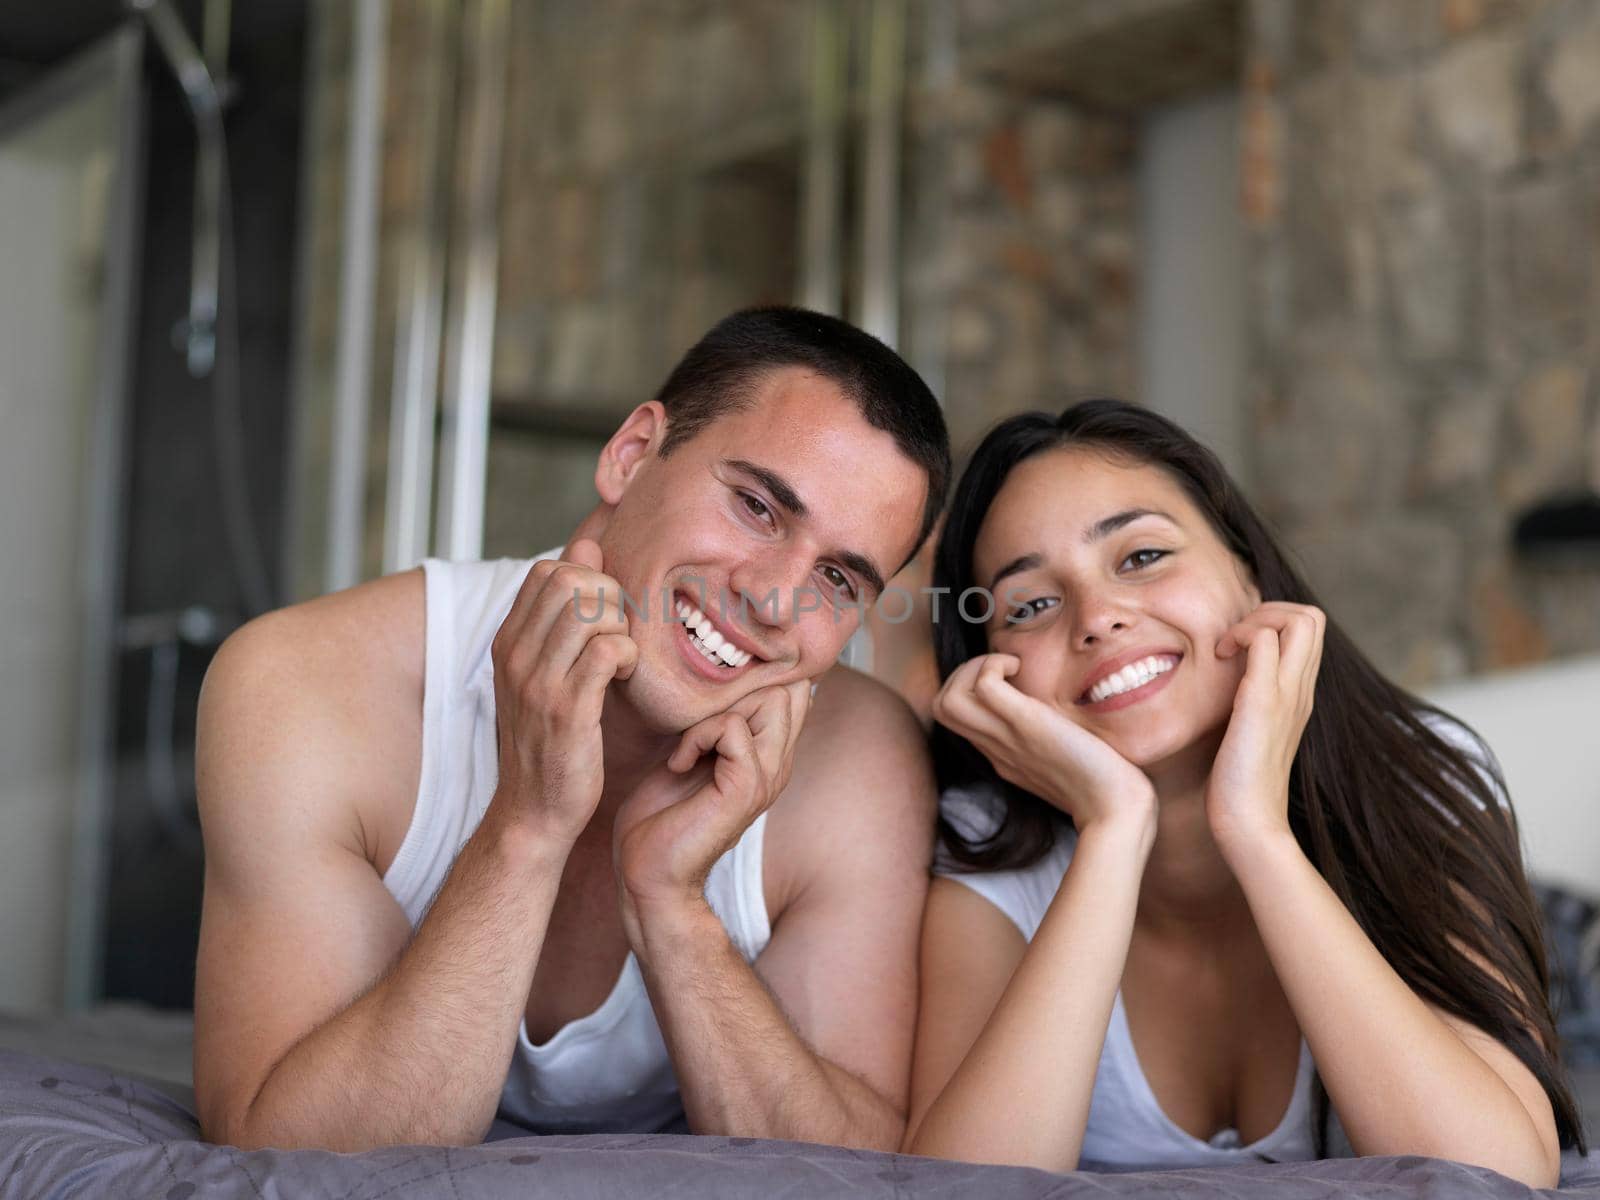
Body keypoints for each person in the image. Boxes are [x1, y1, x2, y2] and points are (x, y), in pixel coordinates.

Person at [191, 307, 948, 1152]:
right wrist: (527, 823)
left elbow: (856, 1171)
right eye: (757, 507)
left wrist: (671, 902)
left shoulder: (859, 756)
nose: (776, 600)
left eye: (839, 580)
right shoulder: (307, 680)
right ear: (631, 456)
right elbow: (283, 1155)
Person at [902, 399, 1583, 1186]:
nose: (1096, 619)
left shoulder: (1419, 777)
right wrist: (1113, 827)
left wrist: (1256, 831)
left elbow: (1495, 1176)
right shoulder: (988, 845)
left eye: (1141, 556)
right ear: (990, 667)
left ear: (1247, 572)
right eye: (1032, 605)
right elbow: (957, 1191)